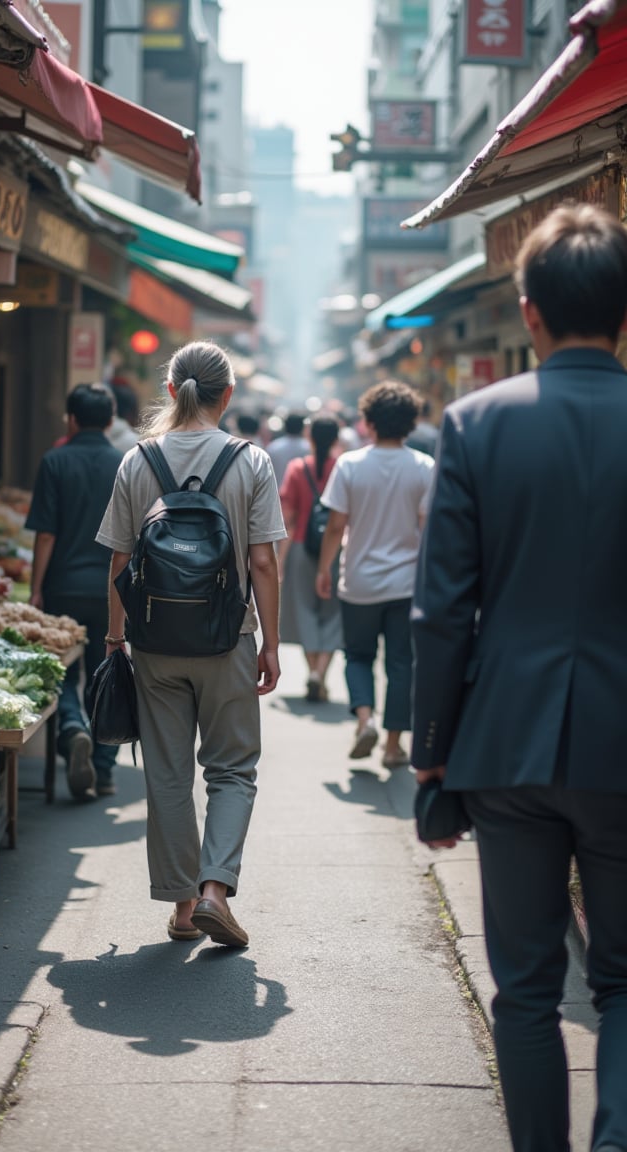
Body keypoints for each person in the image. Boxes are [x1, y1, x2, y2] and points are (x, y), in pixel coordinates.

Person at [410, 203, 627, 1152]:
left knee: (528, 988)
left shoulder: (475, 424)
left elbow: (442, 611)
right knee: (623, 982)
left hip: (505, 744)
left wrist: (432, 760)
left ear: (528, 311)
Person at [96, 340, 285, 947]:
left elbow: (121, 562)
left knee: (169, 774)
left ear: (171, 388)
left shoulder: (138, 459)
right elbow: (263, 563)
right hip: (228, 638)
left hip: (154, 642)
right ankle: (213, 892)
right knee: (232, 769)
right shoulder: (250, 461)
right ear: (226, 395)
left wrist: (114, 639)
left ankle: (181, 911)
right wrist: (271, 642)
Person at [317, 382, 434, 765]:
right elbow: (427, 528)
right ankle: (393, 745)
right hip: (406, 583)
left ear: (367, 422)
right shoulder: (423, 467)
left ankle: (364, 720)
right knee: (401, 663)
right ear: (410, 423)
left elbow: (336, 526)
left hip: (360, 581)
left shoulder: (350, 465)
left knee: (358, 656)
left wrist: (324, 569)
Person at [26, 383, 123, 800]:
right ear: (110, 419)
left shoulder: (54, 461)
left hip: (63, 585)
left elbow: (45, 534)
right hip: (111, 589)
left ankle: (70, 726)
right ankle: (103, 769)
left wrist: (35, 590)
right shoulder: (125, 463)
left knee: (62, 667)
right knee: (106, 672)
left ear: (71, 418)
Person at [278, 416, 343, 701]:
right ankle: (320, 673)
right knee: (332, 612)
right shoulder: (343, 466)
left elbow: (288, 519)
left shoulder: (297, 468)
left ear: (311, 437)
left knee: (304, 608)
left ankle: (312, 671)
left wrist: (280, 559)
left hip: (302, 546)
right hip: (337, 547)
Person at [266, 411, 310, 487]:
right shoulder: (308, 447)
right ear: (302, 427)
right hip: (301, 494)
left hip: (276, 493)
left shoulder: (273, 447)